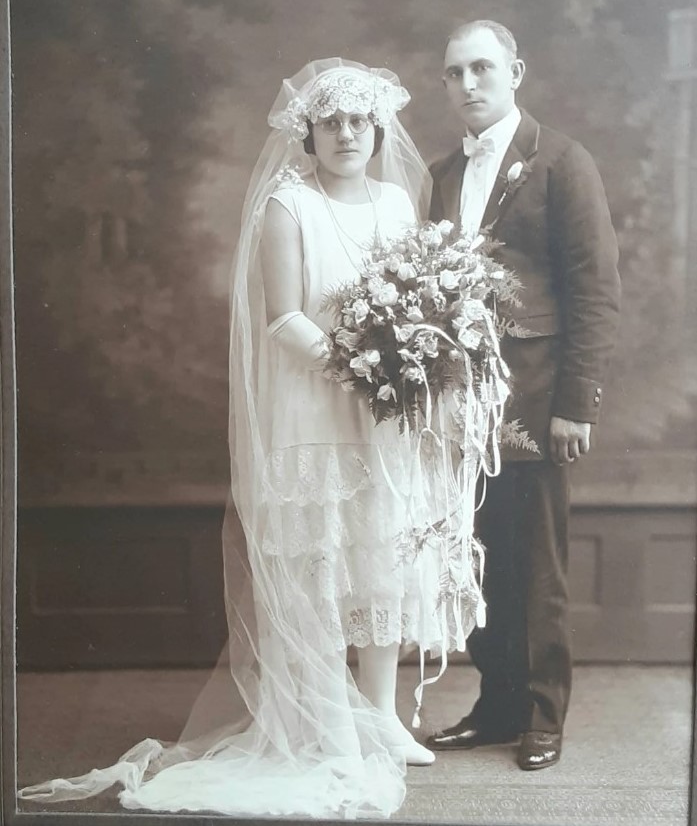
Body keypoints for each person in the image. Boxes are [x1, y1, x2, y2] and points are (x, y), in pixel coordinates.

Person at [18, 59, 489, 818]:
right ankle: (334, 726)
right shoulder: (288, 205)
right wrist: (356, 364)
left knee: (380, 557)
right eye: (331, 121)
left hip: (383, 415)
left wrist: (411, 365)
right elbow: (283, 316)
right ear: (309, 131)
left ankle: (382, 718)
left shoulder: (399, 204)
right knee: (326, 565)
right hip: (314, 406)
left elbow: (418, 301)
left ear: (377, 130)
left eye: (359, 122)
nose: (345, 134)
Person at [425, 21, 621, 770]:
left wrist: (577, 403)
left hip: (536, 402)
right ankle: (497, 704)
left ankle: (542, 715)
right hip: (460, 404)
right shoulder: (444, 174)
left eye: (481, 68)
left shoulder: (562, 162)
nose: (468, 84)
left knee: (536, 562)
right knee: (480, 558)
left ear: (515, 71)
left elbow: (594, 292)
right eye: (453, 73)